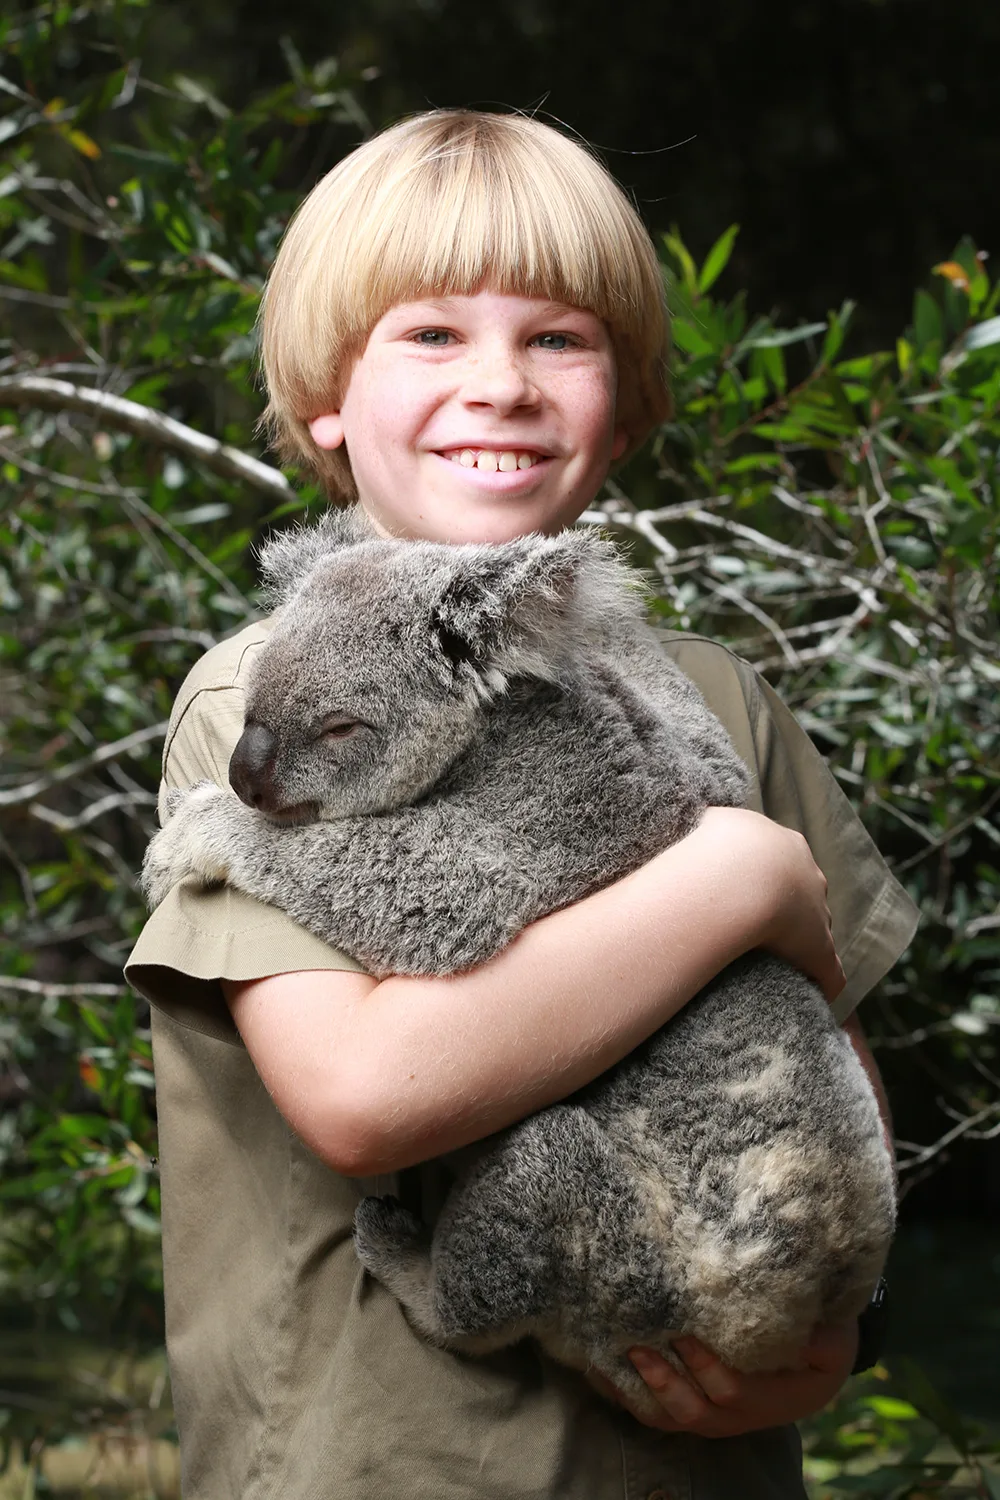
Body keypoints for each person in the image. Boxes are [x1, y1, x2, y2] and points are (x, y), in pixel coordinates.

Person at [125, 109, 918, 1500]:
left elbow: (826, 1092)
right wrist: (741, 880)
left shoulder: (715, 701)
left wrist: (830, 1340)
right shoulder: (261, 700)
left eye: (560, 337)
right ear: (329, 398)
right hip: (380, 1465)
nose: (501, 383)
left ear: (628, 399)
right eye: (432, 334)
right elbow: (369, 1098)